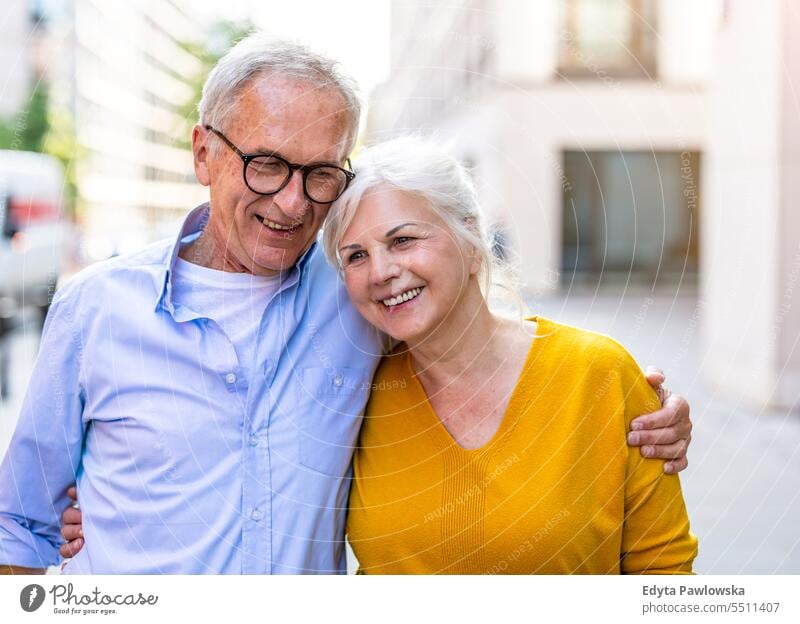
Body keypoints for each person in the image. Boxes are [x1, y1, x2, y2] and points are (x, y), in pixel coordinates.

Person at [0, 36, 691, 576]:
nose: (294, 202)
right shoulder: (94, 310)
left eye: (322, 173)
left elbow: (478, 343)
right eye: (266, 164)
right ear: (203, 152)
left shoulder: (359, 299)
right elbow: (21, 521)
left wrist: (638, 409)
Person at [321, 136, 697, 573]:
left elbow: (665, 568)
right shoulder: (354, 393)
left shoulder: (598, 374)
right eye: (357, 256)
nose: (381, 271)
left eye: (403, 240)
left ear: (471, 242)